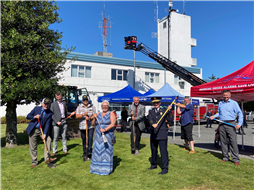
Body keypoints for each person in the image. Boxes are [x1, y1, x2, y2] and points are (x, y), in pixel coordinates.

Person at [210, 90, 243, 165]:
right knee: (223, 141)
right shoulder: (220, 103)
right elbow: (219, 113)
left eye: (227, 95)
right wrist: (213, 116)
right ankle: (225, 157)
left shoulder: (234, 103)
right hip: (221, 124)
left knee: (233, 141)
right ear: (222, 96)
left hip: (231, 123)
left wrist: (239, 124)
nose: (225, 96)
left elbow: (240, 114)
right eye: (224, 95)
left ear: (230, 95)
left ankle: (235, 159)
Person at [26, 98, 56, 168]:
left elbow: (48, 124)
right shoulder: (36, 108)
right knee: (33, 146)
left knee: (48, 140)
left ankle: (47, 159)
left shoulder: (49, 112)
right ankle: (34, 162)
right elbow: (28, 116)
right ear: (42, 104)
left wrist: (45, 134)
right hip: (33, 129)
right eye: (45, 104)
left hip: (41, 129)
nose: (46, 105)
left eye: (48, 104)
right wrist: (34, 117)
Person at [147, 97, 173, 175]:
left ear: (160, 103)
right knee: (154, 151)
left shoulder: (164, 111)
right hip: (154, 134)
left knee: (163, 152)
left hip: (162, 134)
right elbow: (149, 119)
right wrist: (152, 124)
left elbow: (170, 119)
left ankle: (165, 168)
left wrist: (169, 111)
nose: (156, 104)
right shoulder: (151, 111)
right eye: (154, 103)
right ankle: (153, 164)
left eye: (157, 103)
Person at [90, 100, 116, 175]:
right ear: (101, 107)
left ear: (108, 106)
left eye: (106, 105)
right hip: (98, 136)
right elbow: (92, 124)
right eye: (103, 106)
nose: (104, 107)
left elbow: (113, 124)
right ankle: (96, 169)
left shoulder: (111, 113)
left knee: (106, 151)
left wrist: (105, 129)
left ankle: (105, 169)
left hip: (107, 135)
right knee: (97, 151)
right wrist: (94, 118)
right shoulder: (98, 114)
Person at [76, 95, 96, 161]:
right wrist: (83, 115)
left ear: (88, 100)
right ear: (82, 101)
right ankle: (85, 153)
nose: (85, 101)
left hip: (90, 126)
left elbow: (94, 115)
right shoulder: (79, 107)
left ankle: (89, 152)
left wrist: (89, 118)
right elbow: (77, 116)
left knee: (90, 139)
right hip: (82, 126)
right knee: (84, 139)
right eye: (84, 100)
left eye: (86, 100)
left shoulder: (92, 107)